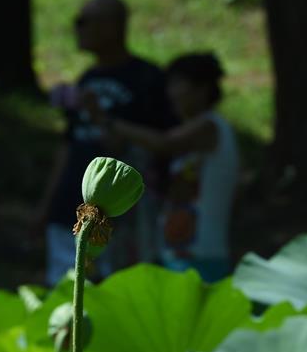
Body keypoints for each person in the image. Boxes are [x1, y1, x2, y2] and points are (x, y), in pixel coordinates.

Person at [34, 0, 176, 285]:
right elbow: (68, 145)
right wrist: (46, 206)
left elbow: (159, 144)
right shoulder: (86, 78)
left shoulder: (147, 78)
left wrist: (104, 118)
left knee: (113, 292)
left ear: (113, 26)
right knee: (64, 292)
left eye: (84, 21)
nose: (77, 28)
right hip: (69, 207)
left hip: (121, 214)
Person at [86, 53, 239, 282]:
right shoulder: (193, 130)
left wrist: (108, 120)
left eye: (179, 84)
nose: (171, 93)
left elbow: (163, 143)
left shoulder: (210, 126)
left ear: (202, 89)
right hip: (179, 249)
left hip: (202, 252)